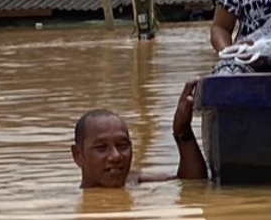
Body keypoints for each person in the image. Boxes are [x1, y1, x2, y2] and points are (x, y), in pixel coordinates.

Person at [72, 80, 208, 189]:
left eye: (123, 145)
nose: (116, 156)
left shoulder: (132, 180)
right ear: (78, 155)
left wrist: (182, 131)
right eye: (101, 148)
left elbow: (193, 183)